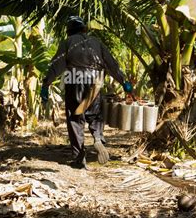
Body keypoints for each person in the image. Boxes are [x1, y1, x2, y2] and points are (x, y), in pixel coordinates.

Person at [40, 16, 133, 169]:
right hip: (95, 82)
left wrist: (46, 84)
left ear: (69, 31)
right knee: (94, 114)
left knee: (76, 118)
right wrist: (124, 83)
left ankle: (79, 158)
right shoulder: (96, 42)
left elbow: (57, 65)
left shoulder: (67, 43)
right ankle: (97, 138)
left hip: (74, 81)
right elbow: (111, 64)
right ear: (84, 29)